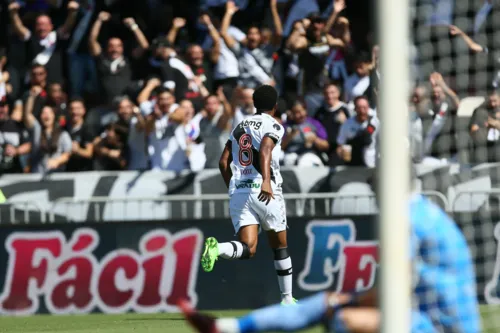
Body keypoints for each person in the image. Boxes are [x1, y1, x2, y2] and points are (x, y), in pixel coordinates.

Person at [179, 184, 481, 333]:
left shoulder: (409, 217)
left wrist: (351, 300)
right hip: (423, 313)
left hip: (444, 326)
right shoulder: (424, 210)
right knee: (327, 303)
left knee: (343, 317)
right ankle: (229, 328)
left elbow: (395, 286)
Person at [201, 85, 296, 305]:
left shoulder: (239, 126)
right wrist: (265, 181)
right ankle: (287, 299)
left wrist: (233, 189)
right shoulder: (274, 125)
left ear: (254, 103)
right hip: (265, 191)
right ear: (275, 106)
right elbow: (265, 149)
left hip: (240, 192)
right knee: (280, 246)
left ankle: (218, 248)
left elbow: (223, 162)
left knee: (248, 248)